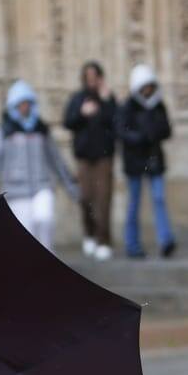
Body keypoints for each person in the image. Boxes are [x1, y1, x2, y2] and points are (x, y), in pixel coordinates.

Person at [0, 79, 80, 251]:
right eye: (20, 104)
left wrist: (71, 186)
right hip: (16, 191)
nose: (24, 108)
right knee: (27, 231)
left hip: (42, 187)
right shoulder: (3, 131)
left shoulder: (41, 130)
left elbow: (56, 160)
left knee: (44, 218)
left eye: (27, 103)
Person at [117, 63, 176, 259]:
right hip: (135, 159)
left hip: (153, 158)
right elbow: (122, 131)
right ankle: (132, 244)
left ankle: (165, 239)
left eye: (150, 85)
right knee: (134, 202)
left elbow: (167, 130)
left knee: (159, 198)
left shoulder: (158, 105)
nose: (148, 90)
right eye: (144, 86)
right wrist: (139, 137)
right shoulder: (128, 106)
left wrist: (155, 132)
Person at [62, 61, 119, 259]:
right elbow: (67, 121)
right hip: (84, 157)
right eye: (89, 77)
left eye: (95, 76)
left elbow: (117, 123)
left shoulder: (108, 98)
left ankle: (104, 240)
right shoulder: (78, 99)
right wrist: (81, 113)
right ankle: (90, 234)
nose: (92, 80)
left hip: (104, 157)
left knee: (103, 199)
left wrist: (105, 102)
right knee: (85, 198)